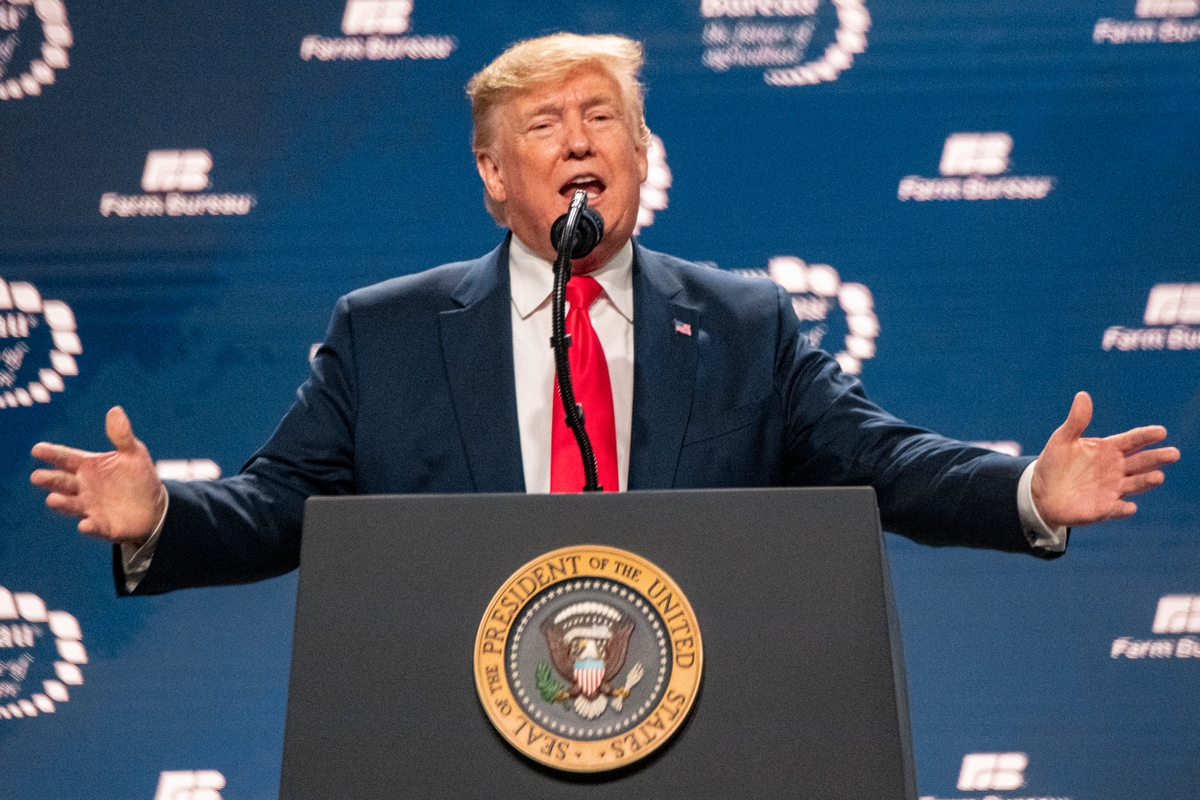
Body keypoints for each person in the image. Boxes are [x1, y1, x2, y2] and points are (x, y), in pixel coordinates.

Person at [30, 34, 1178, 596]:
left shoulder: (743, 323)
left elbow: (884, 462)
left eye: (601, 117)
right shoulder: (384, 333)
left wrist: (1026, 489)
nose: (579, 139)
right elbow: (278, 505)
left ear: (640, 156)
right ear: (491, 173)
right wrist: (160, 516)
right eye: (544, 124)